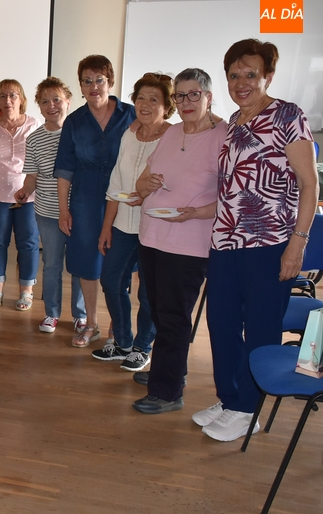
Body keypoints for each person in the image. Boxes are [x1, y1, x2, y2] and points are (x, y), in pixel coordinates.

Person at [197, 39, 317, 441]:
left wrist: (298, 243)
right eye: (234, 75)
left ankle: (250, 408)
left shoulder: (287, 115)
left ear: (268, 76)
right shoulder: (234, 122)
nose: (241, 82)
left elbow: (308, 182)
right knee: (222, 323)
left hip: (270, 244)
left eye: (251, 74)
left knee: (261, 327)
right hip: (226, 242)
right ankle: (230, 397)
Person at [130, 68, 227, 414]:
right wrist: (146, 187)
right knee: (157, 310)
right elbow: (142, 183)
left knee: (173, 316)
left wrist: (197, 212)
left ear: (209, 97)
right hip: (153, 236)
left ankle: (168, 392)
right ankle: (170, 370)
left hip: (188, 242)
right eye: (180, 96)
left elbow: (235, 196)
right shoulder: (171, 134)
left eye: (193, 94)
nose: (185, 102)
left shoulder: (224, 137)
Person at [92, 73, 173, 371]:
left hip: (155, 227)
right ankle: (123, 341)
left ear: (167, 105)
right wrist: (106, 227)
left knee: (148, 291)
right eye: (140, 98)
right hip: (123, 225)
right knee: (111, 280)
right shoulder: (129, 133)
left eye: (154, 99)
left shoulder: (173, 137)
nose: (145, 104)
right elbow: (116, 183)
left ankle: (142, 347)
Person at [55, 55, 136, 347]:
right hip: (86, 198)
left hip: (125, 196)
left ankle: (118, 322)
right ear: (80, 86)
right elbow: (64, 170)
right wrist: (64, 209)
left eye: (99, 80)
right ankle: (92, 322)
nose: (93, 87)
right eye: (86, 81)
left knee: (121, 262)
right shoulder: (74, 121)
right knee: (88, 263)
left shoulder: (131, 115)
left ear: (110, 81)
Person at [19, 77, 86, 333]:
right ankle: (51, 313)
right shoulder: (34, 139)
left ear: (68, 102)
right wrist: (24, 191)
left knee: (79, 264)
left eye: (57, 99)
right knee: (52, 264)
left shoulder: (79, 133)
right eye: (45, 101)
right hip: (47, 212)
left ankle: (80, 315)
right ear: (39, 106)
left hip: (79, 212)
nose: (51, 105)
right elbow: (32, 176)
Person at [0, 79, 39, 310]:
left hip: (28, 196)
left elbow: (39, 164)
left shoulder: (34, 125)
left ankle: (26, 292)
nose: (8, 100)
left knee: (28, 243)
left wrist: (28, 189)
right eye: (2, 96)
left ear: (21, 98)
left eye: (12, 95)